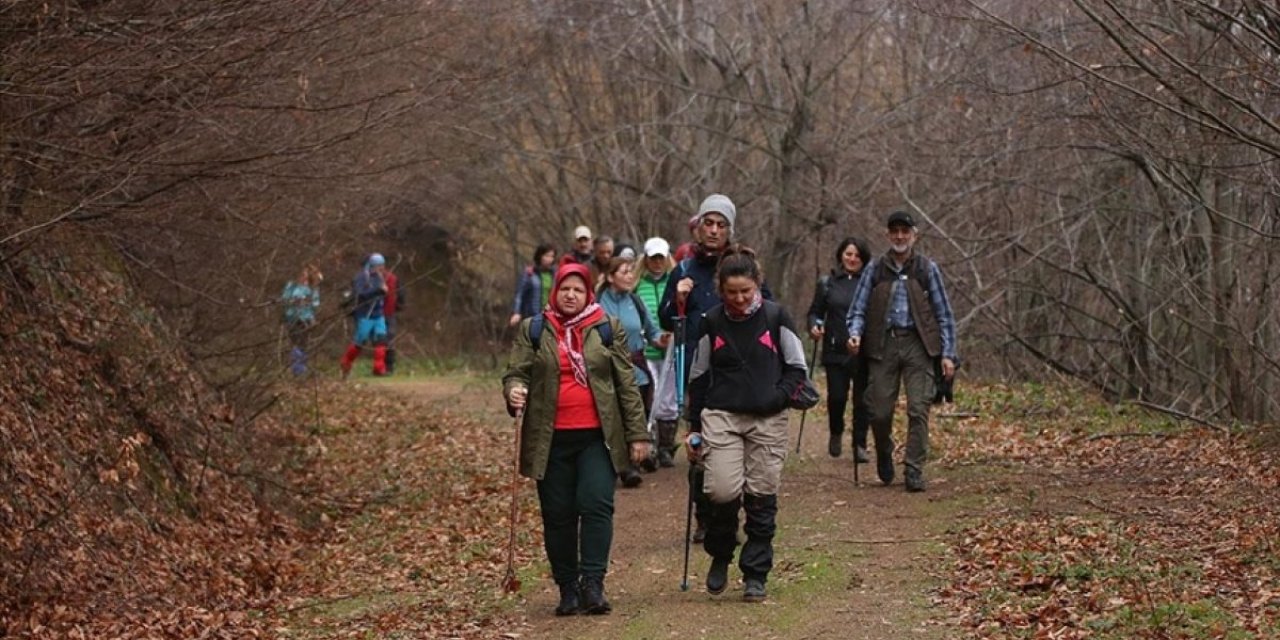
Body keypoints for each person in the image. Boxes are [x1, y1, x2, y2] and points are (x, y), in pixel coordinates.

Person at [502, 262, 652, 616]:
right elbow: (516, 372)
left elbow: (626, 385)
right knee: (558, 515)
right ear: (555, 292)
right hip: (549, 438)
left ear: (588, 293)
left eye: (578, 290)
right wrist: (515, 390)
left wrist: (637, 435)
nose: (571, 295)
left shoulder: (605, 327)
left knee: (596, 504)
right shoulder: (535, 329)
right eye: (565, 289)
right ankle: (567, 588)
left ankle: (593, 584)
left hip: (597, 437)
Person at [684, 245, 808, 603]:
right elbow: (699, 375)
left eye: (746, 292)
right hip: (721, 416)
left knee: (761, 495)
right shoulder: (711, 321)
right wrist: (694, 426)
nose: (739, 299)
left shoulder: (776, 317)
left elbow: (798, 369)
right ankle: (721, 553)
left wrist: (778, 396)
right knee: (721, 491)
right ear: (721, 289)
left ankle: (756, 572)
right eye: (731, 292)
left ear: (757, 284)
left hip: (768, 418)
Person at [658, 194, 772, 543]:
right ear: (698, 226)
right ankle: (704, 518)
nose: (713, 230)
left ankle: (729, 511)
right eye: (708, 223)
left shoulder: (742, 263)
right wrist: (678, 296)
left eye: (721, 225)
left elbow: (765, 305)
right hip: (696, 365)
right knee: (699, 441)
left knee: (735, 446)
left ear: (729, 230)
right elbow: (666, 317)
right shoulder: (685, 268)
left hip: (737, 366)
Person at [845, 211, 958, 492]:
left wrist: (948, 353)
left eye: (904, 231)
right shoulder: (875, 269)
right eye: (894, 231)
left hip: (918, 345)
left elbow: (944, 314)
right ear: (887, 234)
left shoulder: (926, 269)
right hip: (882, 344)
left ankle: (914, 469)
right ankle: (884, 451)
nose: (899, 236)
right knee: (879, 411)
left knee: (919, 408)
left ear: (914, 235)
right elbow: (857, 308)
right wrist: (855, 334)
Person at [597, 255, 666, 486]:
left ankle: (634, 461)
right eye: (624, 272)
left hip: (636, 368)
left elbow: (651, 330)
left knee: (637, 414)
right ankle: (622, 466)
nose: (629, 276)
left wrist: (662, 339)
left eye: (630, 272)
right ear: (609, 277)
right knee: (614, 416)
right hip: (606, 368)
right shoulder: (597, 304)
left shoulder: (636, 302)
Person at [806, 237, 873, 461]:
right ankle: (836, 431)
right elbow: (815, 312)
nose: (852, 259)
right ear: (841, 256)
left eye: (857, 255)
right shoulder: (828, 283)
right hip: (835, 349)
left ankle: (860, 444)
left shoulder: (870, 284)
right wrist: (814, 326)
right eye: (848, 254)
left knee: (862, 400)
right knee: (837, 398)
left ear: (864, 259)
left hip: (863, 351)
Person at [635, 237, 678, 467]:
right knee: (648, 397)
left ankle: (666, 447)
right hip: (646, 351)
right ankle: (647, 445)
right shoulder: (637, 284)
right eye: (653, 258)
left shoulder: (675, 281)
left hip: (671, 349)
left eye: (661, 257)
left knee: (669, 399)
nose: (658, 262)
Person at [339, 253, 389, 379]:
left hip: (378, 314)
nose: (382, 268)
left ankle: (379, 368)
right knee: (360, 342)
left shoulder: (380, 277)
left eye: (383, 265)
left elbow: (383, 292)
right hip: (365, 314)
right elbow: (361, 294)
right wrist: (378, 291)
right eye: (379, 265)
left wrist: (384, 292)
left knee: (381, 339)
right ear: (373, 265)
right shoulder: (361, 277)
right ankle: (346, 363)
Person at [281, 264, 322, 377]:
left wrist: (308, 302)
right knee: (295, 343)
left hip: (306, 319)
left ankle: (302, 368)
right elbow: (285, 299)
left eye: (305, 274)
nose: (303, 276)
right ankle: (297, 369)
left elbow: (315, 303)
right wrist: (294, 301)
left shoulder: (312, 288)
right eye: (301, 274)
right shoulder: (291, 286)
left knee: (304, 344)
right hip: (292, 318)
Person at [509, 243, 558, 328]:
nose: (549, 259)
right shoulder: (529, 273)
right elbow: (519, 294)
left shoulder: (555, 274)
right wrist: (516, 312)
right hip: (532, 316)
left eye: (552, 256)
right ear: (540, 256)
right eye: (547, 256)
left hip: (551, 316)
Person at [382, 260, 404, 375]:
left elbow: (400, 294)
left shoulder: (392, 278)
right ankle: (385, 367)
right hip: (383, 313)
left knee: (386, 340)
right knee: (386, 340)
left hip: (386, 313)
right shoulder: (392, 278)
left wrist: (398, 305)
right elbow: (401, 295)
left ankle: (387, 367)